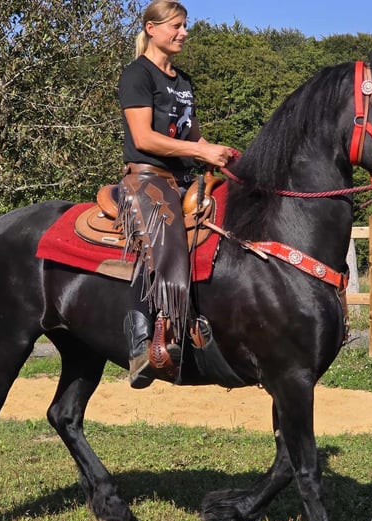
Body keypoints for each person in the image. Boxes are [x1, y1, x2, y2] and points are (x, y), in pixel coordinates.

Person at [118, 0, 232, 389]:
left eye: (186, 25)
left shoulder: (183, 81)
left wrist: (224, 153)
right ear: (152, 28)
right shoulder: (137, 75)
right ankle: (139, 344)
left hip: (185, 177)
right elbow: (144, 137)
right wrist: (201, 152)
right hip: (149, 176)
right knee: (162, 239)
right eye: (177, 26)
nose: (184, 32)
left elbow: (192, 135)